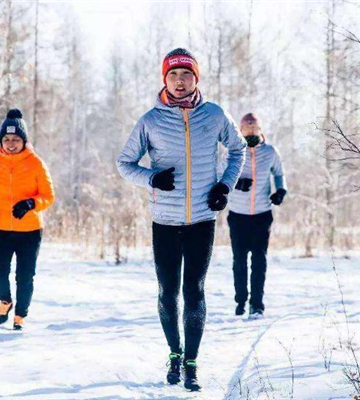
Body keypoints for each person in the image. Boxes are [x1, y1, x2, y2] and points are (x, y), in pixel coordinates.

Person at [117, 48, 246, 391]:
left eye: (185, 74)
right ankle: (174, 353)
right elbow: (124, 163)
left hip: (203, 218)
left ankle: (191, 362)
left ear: (195, 78)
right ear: (165, 79)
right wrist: (152, 178)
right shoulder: (151, 121)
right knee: (167, 292)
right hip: (165, 221)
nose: (179, 81)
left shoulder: (214, 115)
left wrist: (224, 185)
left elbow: (238, 150)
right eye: (173, 75)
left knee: (195, 291)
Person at [0, 109, 55, 330]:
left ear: (24, 141)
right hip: (0, 228)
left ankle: (20, 316)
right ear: (1, 141)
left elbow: (48, 196)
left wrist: (31, 204)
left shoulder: (36, 164)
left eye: (15, 139)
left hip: (30, 231)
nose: (11, 143)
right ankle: (5, 300)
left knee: (25, 276)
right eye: (7, 139)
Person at [227, 113, 286, 319]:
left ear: (260, 130)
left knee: (259, 260)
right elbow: (220, 177)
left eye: (254, 128)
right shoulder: (233, 152)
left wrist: (280, 191)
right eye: (246, 128)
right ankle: (241, 300)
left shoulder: (270, 152)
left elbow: (279, 173)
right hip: (238, 215)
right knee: (239, 260)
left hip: (262, 214)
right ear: (240, 130)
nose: (250, 131)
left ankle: (257, 304)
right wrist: (237, 184)